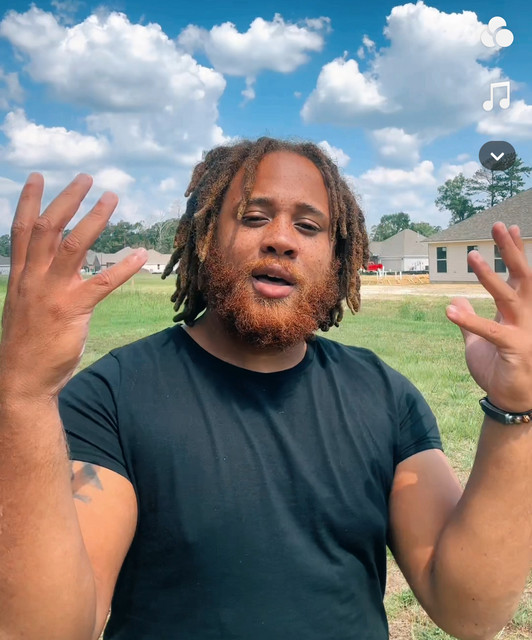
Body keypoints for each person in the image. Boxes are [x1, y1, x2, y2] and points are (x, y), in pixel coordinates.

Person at [0, 137, 530, 640]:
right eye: (254, 217)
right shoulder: (111, 397)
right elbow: (46, 630)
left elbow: (469, 610)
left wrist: (516, 405)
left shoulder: (385, 396)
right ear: (206, 240)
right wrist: (23, 397)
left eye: (308, 226)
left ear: (337, 257)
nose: (281, 238)